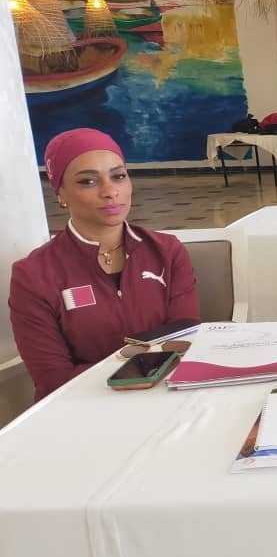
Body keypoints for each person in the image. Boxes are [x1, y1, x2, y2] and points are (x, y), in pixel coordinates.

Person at [9, 128, 200, 400]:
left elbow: (184, 341)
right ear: (60, 193)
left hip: (166, 398)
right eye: (88, 181)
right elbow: (52, 378)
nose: (110, 192)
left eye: (118, 176)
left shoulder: (167, 251)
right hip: (79, 408)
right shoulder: (33, 275)